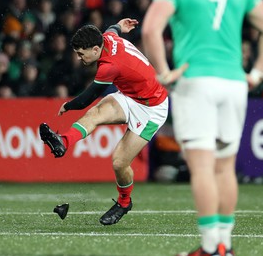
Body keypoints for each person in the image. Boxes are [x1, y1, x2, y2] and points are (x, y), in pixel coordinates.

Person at [141, 0, 263, 256]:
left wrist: (164, 72)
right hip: (233, 82)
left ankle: (209, 248)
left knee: (202, 167)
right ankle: (225, 245)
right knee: (224, 167)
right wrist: (256, 73)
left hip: (197, 82)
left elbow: (150, 29)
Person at [40, 18, 172, 225]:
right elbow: (113, 29)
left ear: (95, 49)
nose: (79, 57)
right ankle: (62, 142)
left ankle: (124, 202)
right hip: (131, 96)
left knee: (119, 162)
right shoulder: (107, 38)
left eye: (81, 53)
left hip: (152, 108)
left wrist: (68, 106)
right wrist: (121, 25)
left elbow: (87, 97)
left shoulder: (110, 66)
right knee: (96, 114)